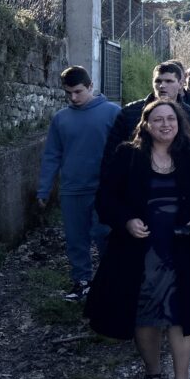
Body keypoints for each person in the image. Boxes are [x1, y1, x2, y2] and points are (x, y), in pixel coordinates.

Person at [86, 100, 190, 379]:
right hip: (139, 250)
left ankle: (182, 378)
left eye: (170, 118)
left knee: (181, 314)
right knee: (144, 312)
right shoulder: (127, 156)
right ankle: (152, 371)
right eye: (157, 120)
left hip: (182, 250)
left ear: (179, 122)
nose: (165, 124)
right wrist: (126, 220)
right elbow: (106, 198)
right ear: (145, 124)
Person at [37, 66, 120, 301]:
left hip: (104, 189)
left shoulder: (113, 112)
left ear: (90, 86)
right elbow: (52, 154)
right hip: (73, 189)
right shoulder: (61, 119)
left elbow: (126, 150)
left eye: (78, 91)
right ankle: (82, 282)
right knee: (75, 239)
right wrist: (44, 188)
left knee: (105, 236)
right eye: (68, 93)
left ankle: (110, 281)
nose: (73, 97)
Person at [103, 62, 190, 160]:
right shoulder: (129, 112)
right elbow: (112, 152)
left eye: (169, 81)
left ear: (181, 84)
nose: (162, 86)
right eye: (158, 81)